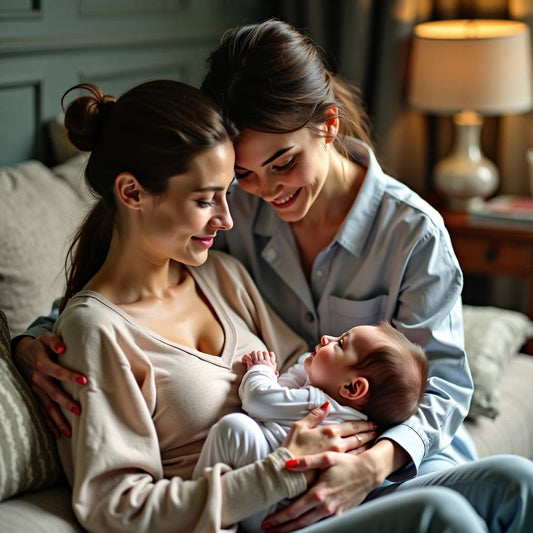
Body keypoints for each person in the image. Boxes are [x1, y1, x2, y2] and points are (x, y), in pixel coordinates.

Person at [10, 18, 533, 533]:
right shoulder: (225, 234)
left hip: (383, 462)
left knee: (518, 480)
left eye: (281, 164)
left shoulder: (399, 233)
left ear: (328, 126)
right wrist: (31, 345)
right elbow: (99, 310)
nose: (255, 197)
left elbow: (435, 384)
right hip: (276, 488)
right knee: (444, 518)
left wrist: (369, 463)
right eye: (241, 176)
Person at [46, 79, 380, 532]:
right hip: (263, 514)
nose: (226, 219)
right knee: (445, 513)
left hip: (322, 499)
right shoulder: (96, 331)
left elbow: (309, 375)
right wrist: (278, 470)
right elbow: (117, 508)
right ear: (132, 193)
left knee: (509, 478)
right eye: (205, 200)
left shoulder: (224, 276)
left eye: (228, 192)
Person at [193, 322, 428, 532]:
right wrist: (309, 365)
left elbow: (257, 399)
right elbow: (286, 392)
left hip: (271, 506)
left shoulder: (319, 403)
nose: (327, 338)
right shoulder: (349, 414)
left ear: (353, 388)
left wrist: (261, 369)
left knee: (233, 429)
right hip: (292, 507)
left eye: (341, 344)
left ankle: (196, 501)